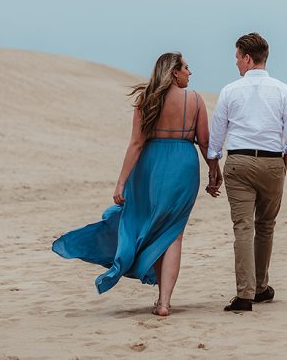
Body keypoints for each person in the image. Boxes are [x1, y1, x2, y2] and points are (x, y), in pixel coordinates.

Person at [52, 52, 222, 317]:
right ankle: (164, 302)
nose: (191, 72)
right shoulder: (195, 100)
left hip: (151, 166)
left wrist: (121, 183)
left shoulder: (148, 99)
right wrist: (214, 170)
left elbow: (136, 143)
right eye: (187, 67)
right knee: (173, 233)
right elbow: (204, 142)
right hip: (183, 165)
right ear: (174, 72)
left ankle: (158, 295)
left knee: (150, 226)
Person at [207, 32, 287, 312]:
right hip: (273, 162)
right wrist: (282, 165)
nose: (236, 63)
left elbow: (217, 134)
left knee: (243, 228)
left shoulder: (230, 90)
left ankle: (245, 294)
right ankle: (260, 287)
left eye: (237, 57)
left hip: (239, 162)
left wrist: (213, 166)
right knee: (266, 226)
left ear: (247, 58)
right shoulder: (283, 90)